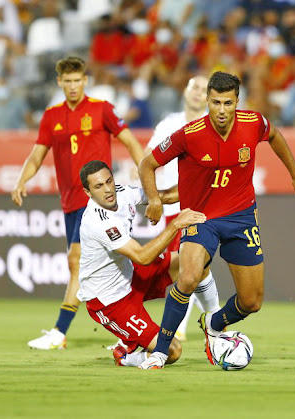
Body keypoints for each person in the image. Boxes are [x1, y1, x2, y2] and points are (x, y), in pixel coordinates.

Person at [138, 71, 295, 369]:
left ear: (237, 102)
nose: (221, 110)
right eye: (215, 102)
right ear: (207, 100)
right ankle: (160, 351)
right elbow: (147, 164)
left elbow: (274, 135)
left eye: (228, 103)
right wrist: (154, 200)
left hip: (241, 216)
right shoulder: (188, 134)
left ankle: (214, 324)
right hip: (200, 217)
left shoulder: (253, 123)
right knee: (189, 277)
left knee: (251, 301)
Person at [11, 56, 145, 350]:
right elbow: (37, 155)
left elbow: (132, 142)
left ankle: (60, 331)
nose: (73, 86)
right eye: (67, 81)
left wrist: (147, 172)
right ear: (59, 82)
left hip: (98, 200)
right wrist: (22, 180)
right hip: (71, 202)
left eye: (77, 80)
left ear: (86, 80)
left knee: (75, 260)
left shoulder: (101, 110)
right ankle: (128, 331)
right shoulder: (51, 116)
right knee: (99, 267)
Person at [77, 160, 207, 366]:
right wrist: (174, 224)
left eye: (109, 181)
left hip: (132, 276)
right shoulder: (98, 222)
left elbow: (163, 196)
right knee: (172, 351)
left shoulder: (122, 193)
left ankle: (213, 326)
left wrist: (206, 184)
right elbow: (142, 256)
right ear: (88, 192)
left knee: (194, 260)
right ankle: (126, 356)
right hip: (110, 301)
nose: (108, 189)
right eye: (99, 186)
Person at [144, 75, 221, 342]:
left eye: (204, 89)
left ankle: (183, 327)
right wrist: (149, 193)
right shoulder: (170, 123)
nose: (199, 93)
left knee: (183, 264)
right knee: (192, 268)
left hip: (196, 205)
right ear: (186, 91)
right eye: (195, 87)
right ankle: (216, 317)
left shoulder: (211, 125)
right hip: (168, 206)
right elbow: (148, 156)